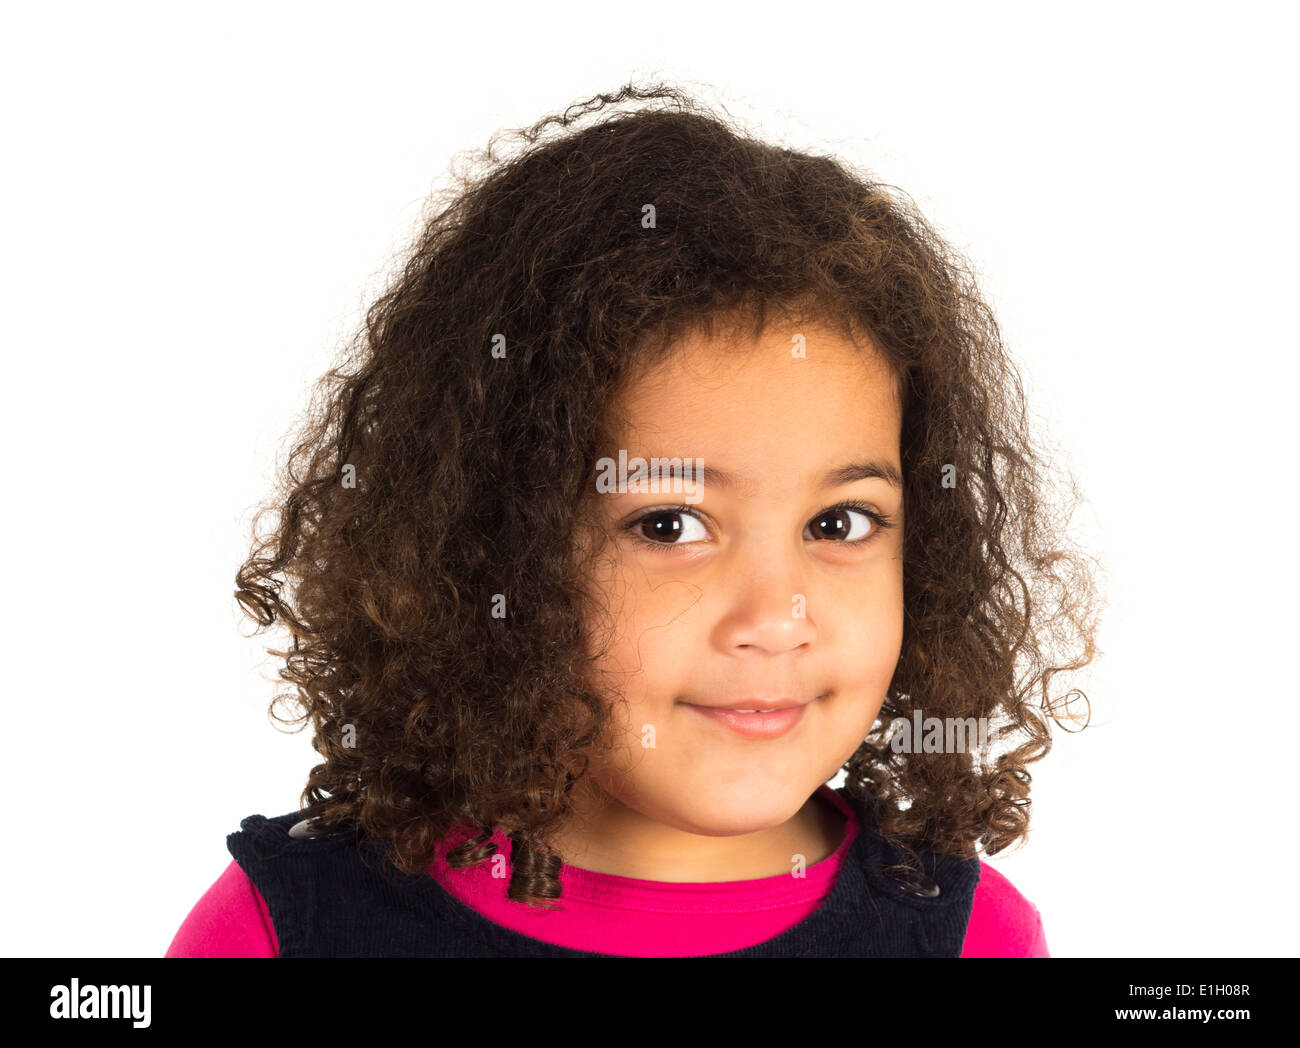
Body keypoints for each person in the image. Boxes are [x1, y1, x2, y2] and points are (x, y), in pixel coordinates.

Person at [166, 81, 1098, 958]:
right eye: (668, 526)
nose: (777, 620)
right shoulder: (290, 930)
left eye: (840, 523)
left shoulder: (969, 938)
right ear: (496, 551)